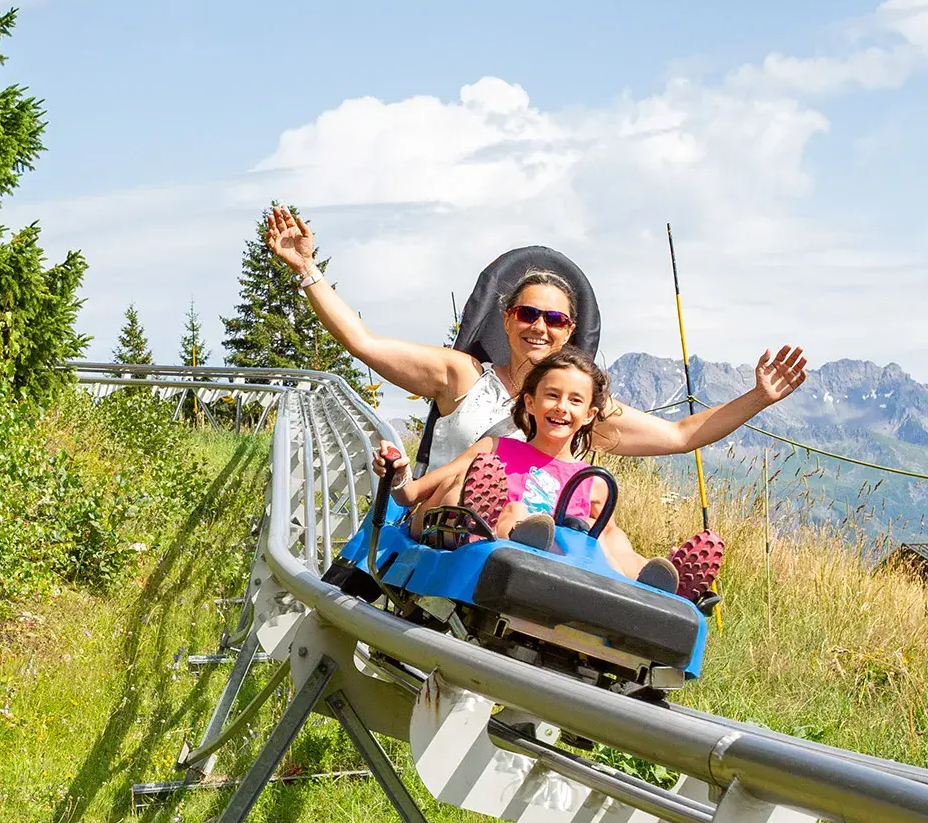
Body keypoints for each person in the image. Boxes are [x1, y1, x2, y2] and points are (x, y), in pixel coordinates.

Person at [263, 203, 808, 571]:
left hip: (542, 544)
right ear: (506, 319)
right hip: (447, 525)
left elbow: (682, 435)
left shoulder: (581, 409)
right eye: (527, 314)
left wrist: (758, 397)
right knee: (480, 488)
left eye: (555, 320)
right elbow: (363, 342)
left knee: (601, 523)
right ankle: (495, 524)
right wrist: (307, 270)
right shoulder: (461, 375)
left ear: (570, 332)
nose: (539, 328)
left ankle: (653, 581)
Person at [372, 349, 715, 595]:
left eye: (575, 400)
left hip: (556, 569)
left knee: (605, 536)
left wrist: (631, 560)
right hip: (467, 541)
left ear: (590, 415)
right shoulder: (496, 448)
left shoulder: (590, 481)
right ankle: (495, 531)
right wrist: (397, 474)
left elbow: (608, 539)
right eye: (552, 395)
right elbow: (411, 495)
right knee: (509, 506)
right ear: (530, 402)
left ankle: (659, 582)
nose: (561, 407)